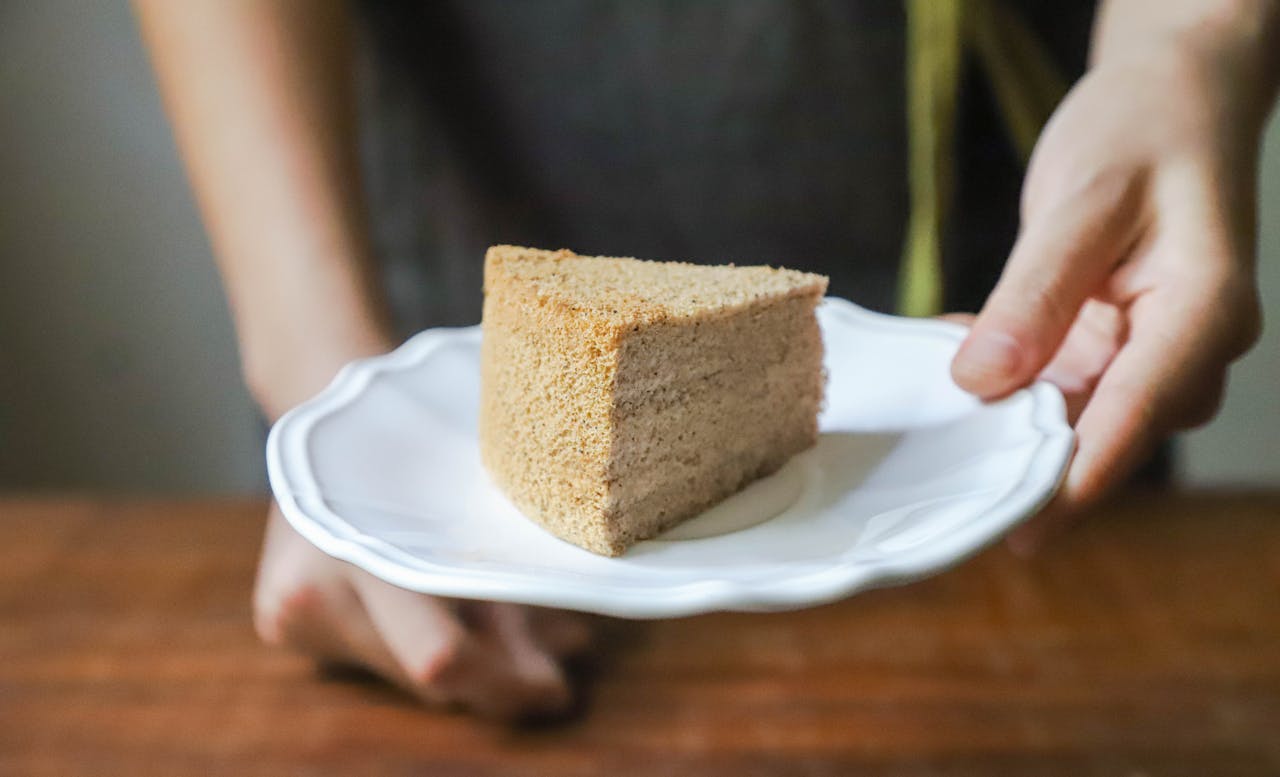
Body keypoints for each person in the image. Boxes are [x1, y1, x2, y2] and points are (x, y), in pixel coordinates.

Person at [134, 0, 1278, 719]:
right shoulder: (379, 422)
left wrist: (1187, 40)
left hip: (1031, 259)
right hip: (422, 328)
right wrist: (314, 353)